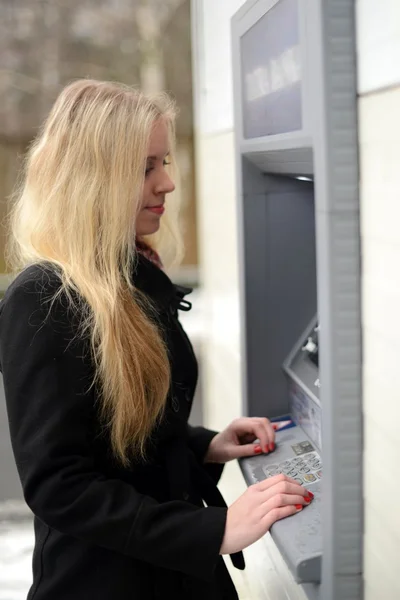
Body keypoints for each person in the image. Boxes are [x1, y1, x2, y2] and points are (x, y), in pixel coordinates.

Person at [0, 79, 312, 600]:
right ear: (91, 178)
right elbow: (61, 485)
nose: (167, 182)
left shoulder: (131, 273)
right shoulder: (45, 299)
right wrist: (215, 530)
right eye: (146, 167)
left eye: (164, 161)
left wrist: (201, 445)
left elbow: (118, 433)